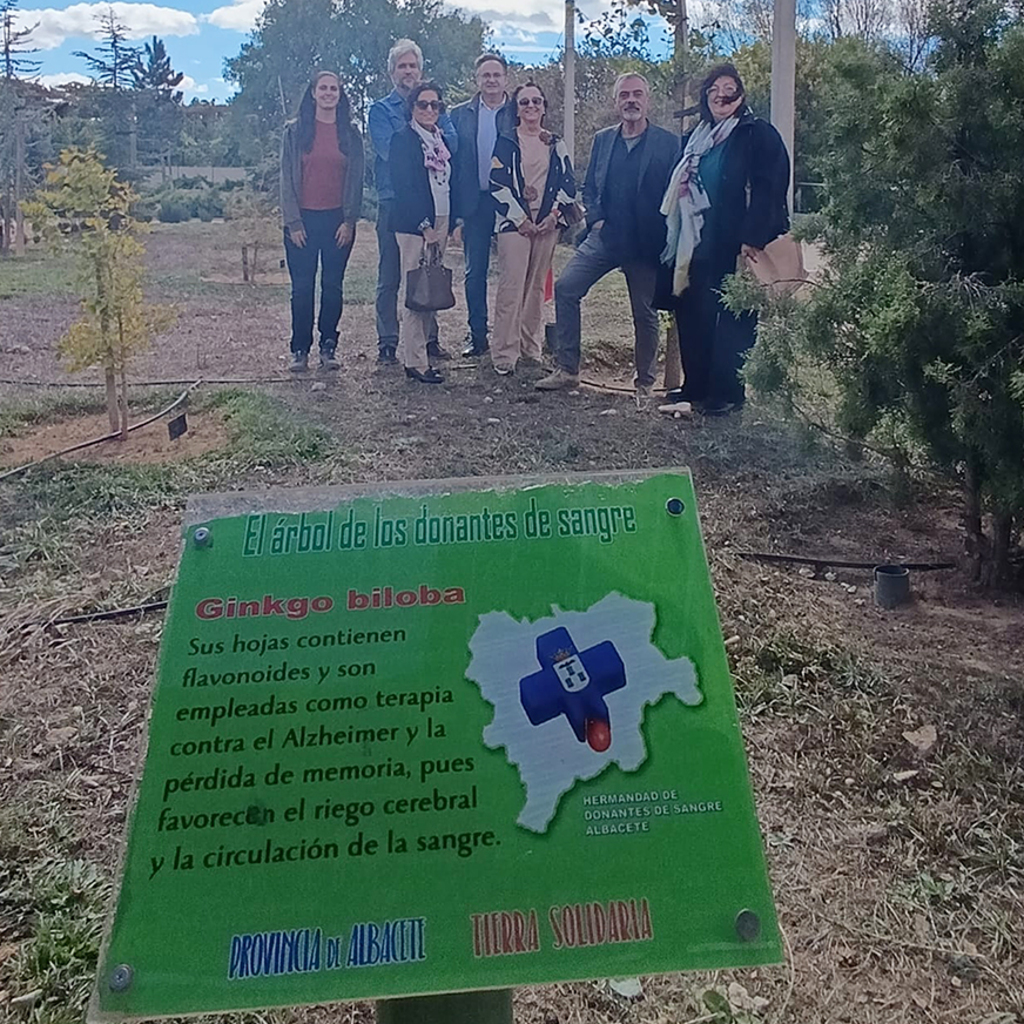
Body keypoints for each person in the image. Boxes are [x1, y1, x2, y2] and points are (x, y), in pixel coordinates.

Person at [537, 73, 679, 397]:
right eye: (624, 95)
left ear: (648, 100)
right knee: (566, 288)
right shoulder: (603, 139)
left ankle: (644, 383)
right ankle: (568, 369)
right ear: (616, 102)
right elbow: (589, 187)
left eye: (637, 94)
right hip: (605, 238)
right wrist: (597, 220)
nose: (631, 100)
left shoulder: (667, 143)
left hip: (646, 245)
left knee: (644, 314)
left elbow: (676, 195)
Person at [660, 64, 790, 416]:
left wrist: (753, 236)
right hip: (695, 242)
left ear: (741, 95)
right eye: (714, 88)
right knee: (693, 314)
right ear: (705, 97)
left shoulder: (757, 133)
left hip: (736, 242)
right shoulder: (694, 138)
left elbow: (770, 186)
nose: (721, 94)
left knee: (734, 317)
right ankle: (696, 387)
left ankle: (728, 393)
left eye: (729, 87)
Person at [369, 39, 457, 365]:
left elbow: (453, 143)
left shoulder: (434, 105)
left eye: (413, 66)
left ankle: (428, 340)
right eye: (402, 66)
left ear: (421, 70)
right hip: (395, 201)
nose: (408, 71)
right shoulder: (380, 110)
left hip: (433, 203)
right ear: (392, 72)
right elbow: (392, 153)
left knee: (429, 272)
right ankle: (389, 341)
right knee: (391, 274)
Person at [489, 82, 577, 376]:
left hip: (547, 224)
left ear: (544, 107)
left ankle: (531, 348)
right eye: (524, 102)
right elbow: (497, 184)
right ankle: (504, 353)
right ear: (516, 108)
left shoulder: (555, 143)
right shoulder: (506, 142)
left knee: (537, 288)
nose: (530, 107)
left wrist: (553, 215)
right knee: (511, 287)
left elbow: (568, 183)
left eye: (536, 102)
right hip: (515, 225)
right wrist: (520, 219)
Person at [279, 70, 364, 373]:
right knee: (302, 289)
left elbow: (356, 179)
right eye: (323, 88)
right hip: (301, 221)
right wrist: (293, 222)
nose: (329, 93)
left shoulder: (350, 133)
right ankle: (299, 348)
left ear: (340, 95)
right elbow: (286, 180)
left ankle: (329, 345)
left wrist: (349, 220)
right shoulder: (295, 131)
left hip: (337, 222)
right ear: (313, 93)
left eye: (334, 89)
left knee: (332, 286)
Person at [449, 53, 515, 357]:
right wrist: (457, 215)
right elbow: (454, 164)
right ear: (477, 80)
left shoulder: (518, 111)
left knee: (511, 271)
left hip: (510, 204)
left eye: (496, 75)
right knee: (475, 272)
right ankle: (477, 335)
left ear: (505, 78)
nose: (491, 80)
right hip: (474, 201)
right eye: (485, 75)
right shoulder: (459, 114)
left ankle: (510, 337)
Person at [390, 81, 452, 385]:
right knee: (416, 290)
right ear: (411, 108)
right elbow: (404, 187)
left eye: (434, 105)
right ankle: (414, 361)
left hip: (442, 219)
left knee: (431, 290)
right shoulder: (404, 140)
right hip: (416, 225)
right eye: (422, 104)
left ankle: (422, 354)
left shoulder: (439, 140)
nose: (429, 110)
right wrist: (424, 224)